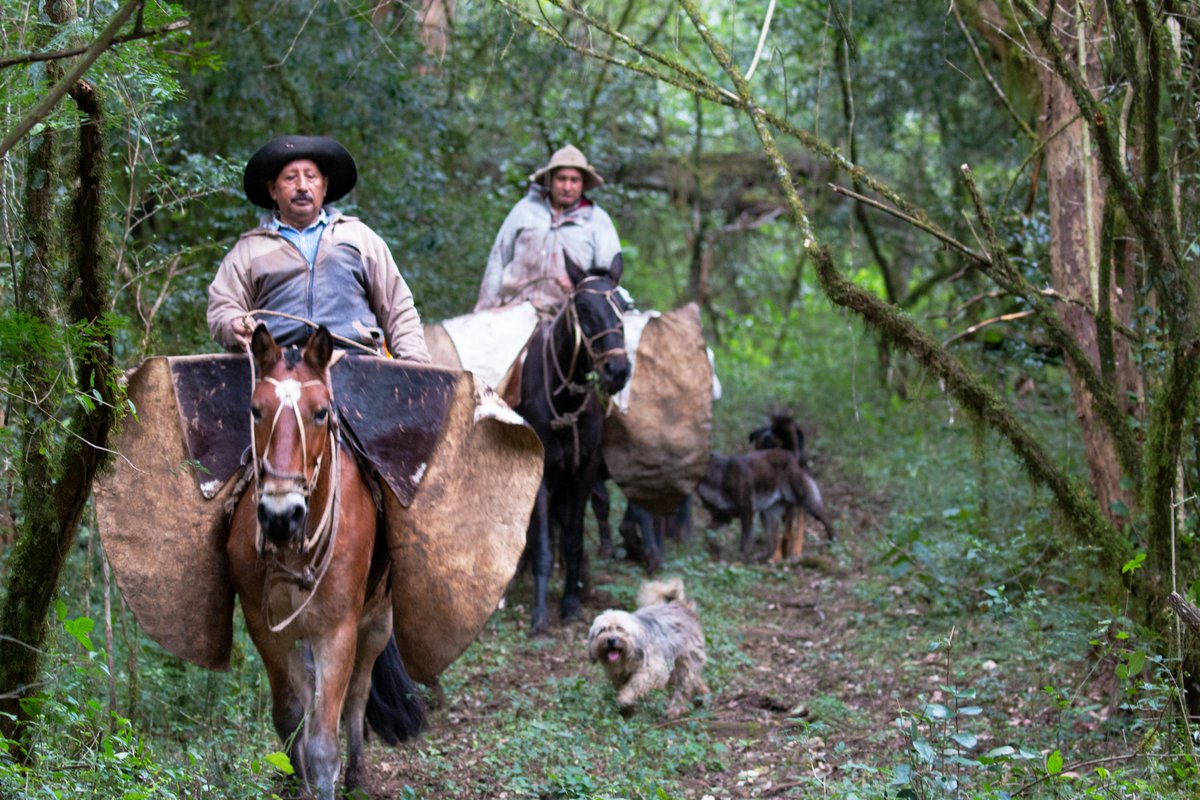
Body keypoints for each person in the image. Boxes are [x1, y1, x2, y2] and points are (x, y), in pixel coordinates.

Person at [208, 134, 430, 362]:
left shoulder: (359, 238)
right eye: (290, 178)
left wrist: (414, 362)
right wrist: (233, 323)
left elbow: (397, 306)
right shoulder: (249, 250)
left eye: (311, 177)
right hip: (277, 364)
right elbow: (223, 306)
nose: (302, 186)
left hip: (357, 360)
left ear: (324, 186)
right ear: (273, 190)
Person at [475, 144, 621, 313]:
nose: (567, 187)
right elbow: (498, 259)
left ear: (583, 183)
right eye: (561, 179)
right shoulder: (525, 209)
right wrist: (485, 307)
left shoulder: (597, 220)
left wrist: (580, 282)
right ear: (551, 179)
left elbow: (608, 276)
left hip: (569, 313)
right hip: (514, 308)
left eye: (574, 180)